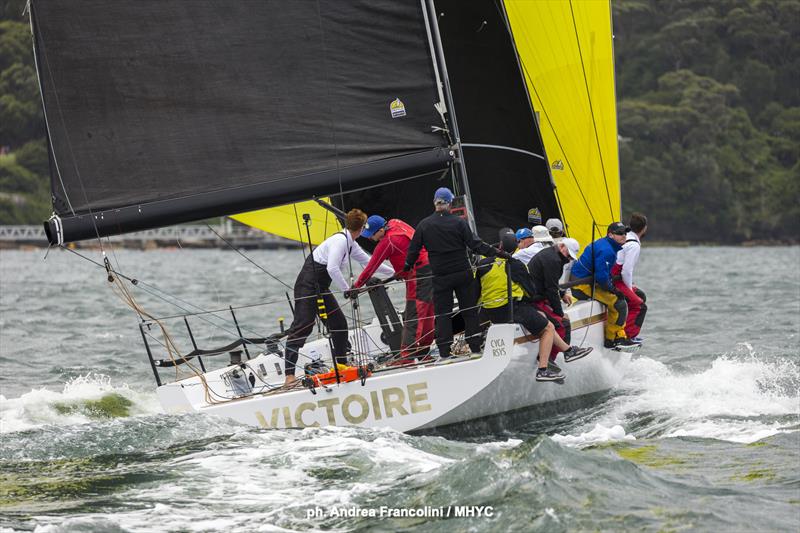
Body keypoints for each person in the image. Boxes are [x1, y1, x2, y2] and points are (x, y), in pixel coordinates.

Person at [281, 209, 394, 385]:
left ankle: (341, 366)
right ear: (362, 228)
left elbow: (369, 262)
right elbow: (332, 268)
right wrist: (347, 289)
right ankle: (289, 376)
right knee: (302, 326)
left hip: (321, 287)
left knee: (339, 325)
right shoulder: (340, 241)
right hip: (307, 286)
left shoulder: (351, 243)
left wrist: (397, 272)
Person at [404, 187, 507, 359]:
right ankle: (474, 348)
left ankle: (445, 352)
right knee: (469, 311)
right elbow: (476, 245)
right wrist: (499, 253)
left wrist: (406, 268)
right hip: (462, 274)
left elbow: (412, 252)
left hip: (440, 277)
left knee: (443, 314)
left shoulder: (424, 225)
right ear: (450, 203)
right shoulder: (459, 223)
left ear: (435, 203)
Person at [477, 232, 592, 382]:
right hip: (511, 309)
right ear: (516, 248)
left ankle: (568, 351)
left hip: (489, 312)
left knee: (543, 318)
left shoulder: (484, 264)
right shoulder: (515, 265)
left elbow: (476, 292)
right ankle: (543, 369)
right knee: (549, 328)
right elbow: (530, 291)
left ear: (499, 246)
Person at [353, 215, 434, 363]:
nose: (371, 238)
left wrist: (356, 287)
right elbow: (410, 246)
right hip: (429, 267)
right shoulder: (396, 222)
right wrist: (402, 271)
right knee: (428, 312)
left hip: (418, 274)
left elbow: (371, 268)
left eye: (373, 235)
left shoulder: (387, 242)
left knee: (413, 314)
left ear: (382, 230)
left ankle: (407, 356)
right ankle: (423, 352)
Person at [569, 222, 637, 349]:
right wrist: (614, 290)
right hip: (581, 286)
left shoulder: (608, 245)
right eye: (620, 233)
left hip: (588, 282)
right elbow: (601, 278)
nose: (624, 236)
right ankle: (612, 340)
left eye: (625, 233)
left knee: (619, 298)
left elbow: (603, 275)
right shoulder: (607, 250)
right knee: (619, 303)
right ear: (610, 235)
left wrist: (612, 286)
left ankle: (619, 335)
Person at [528, 238, 582, 363]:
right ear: (562, 246)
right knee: (561, 324)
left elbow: (551, 282)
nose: (569, 259)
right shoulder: (553, 260)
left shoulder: (553, 254)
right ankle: (549, 359)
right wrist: (559, 313)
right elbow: (551, 289)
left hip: (540, 295)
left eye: (571, 258)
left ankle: (563, 354)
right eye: (569, 255)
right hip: (534, 299)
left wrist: (562, 293)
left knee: (564, 322)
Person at [612, 213, 648, 341]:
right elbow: (626, 271)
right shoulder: (634, 245)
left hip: (613, 276)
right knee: (640, 305)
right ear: (644, 228)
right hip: (614, 280)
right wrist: (630, 288)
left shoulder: (624, 237)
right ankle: (625, 336)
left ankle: (623, 327)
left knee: (641, 295)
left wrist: (630, 287)